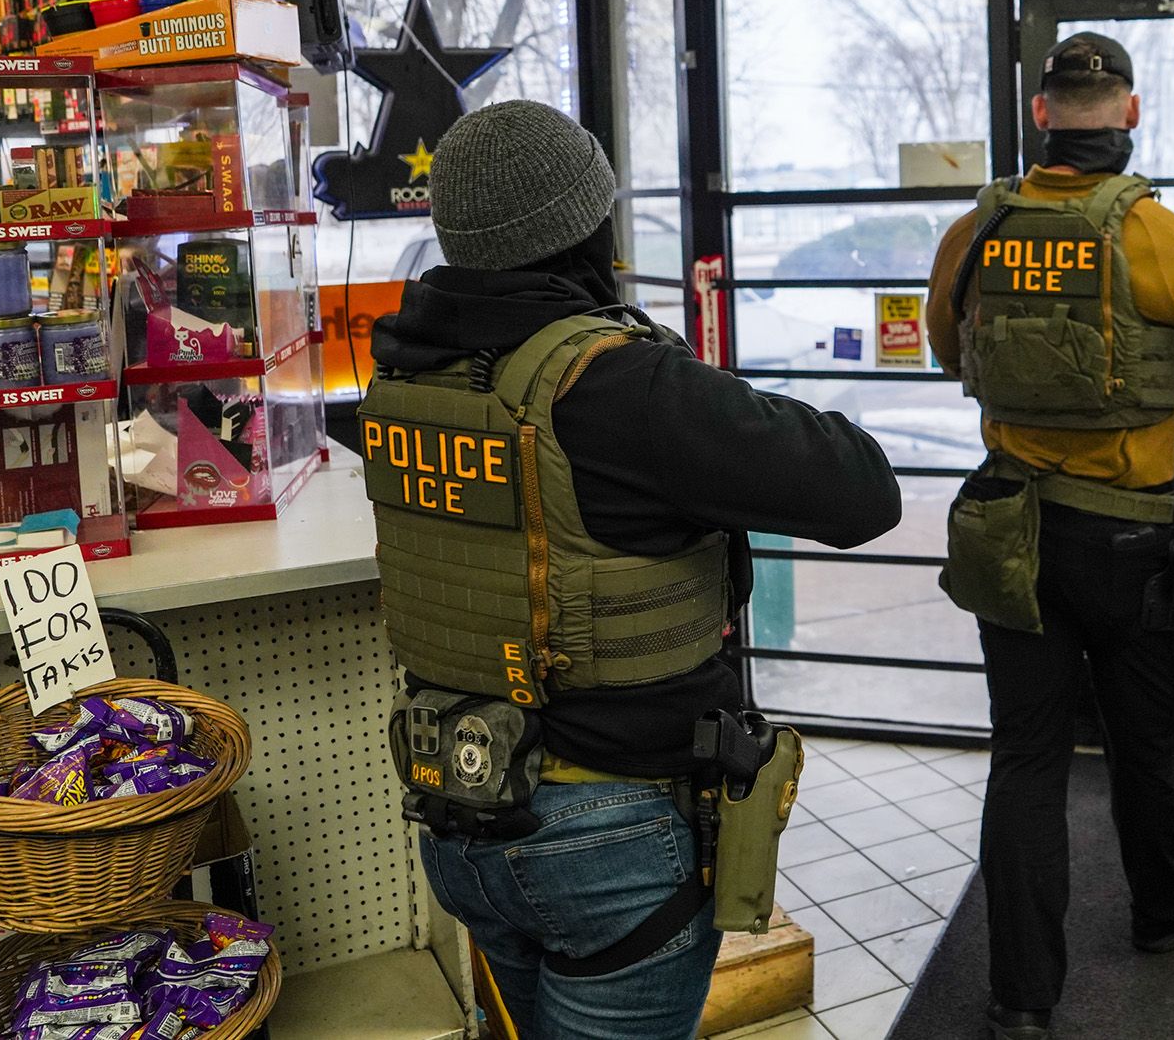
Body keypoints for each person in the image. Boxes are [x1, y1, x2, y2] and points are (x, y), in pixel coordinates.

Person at [359, 100, 902, 1040]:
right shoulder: (617, 386)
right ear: (585, 226)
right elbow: (863, 489)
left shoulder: (406, 372)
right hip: (609, 838)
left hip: (462, 809)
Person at [924, 33, 1174, 1040]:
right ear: (1129, 115)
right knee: (1146, 745)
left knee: (1025, 760)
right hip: (1132, 546)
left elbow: (946, 347)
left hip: (1009, 533)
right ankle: (1168, 908)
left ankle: (1021, 1000)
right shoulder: (1170, 240)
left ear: (1041, 115)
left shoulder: (975, 232)